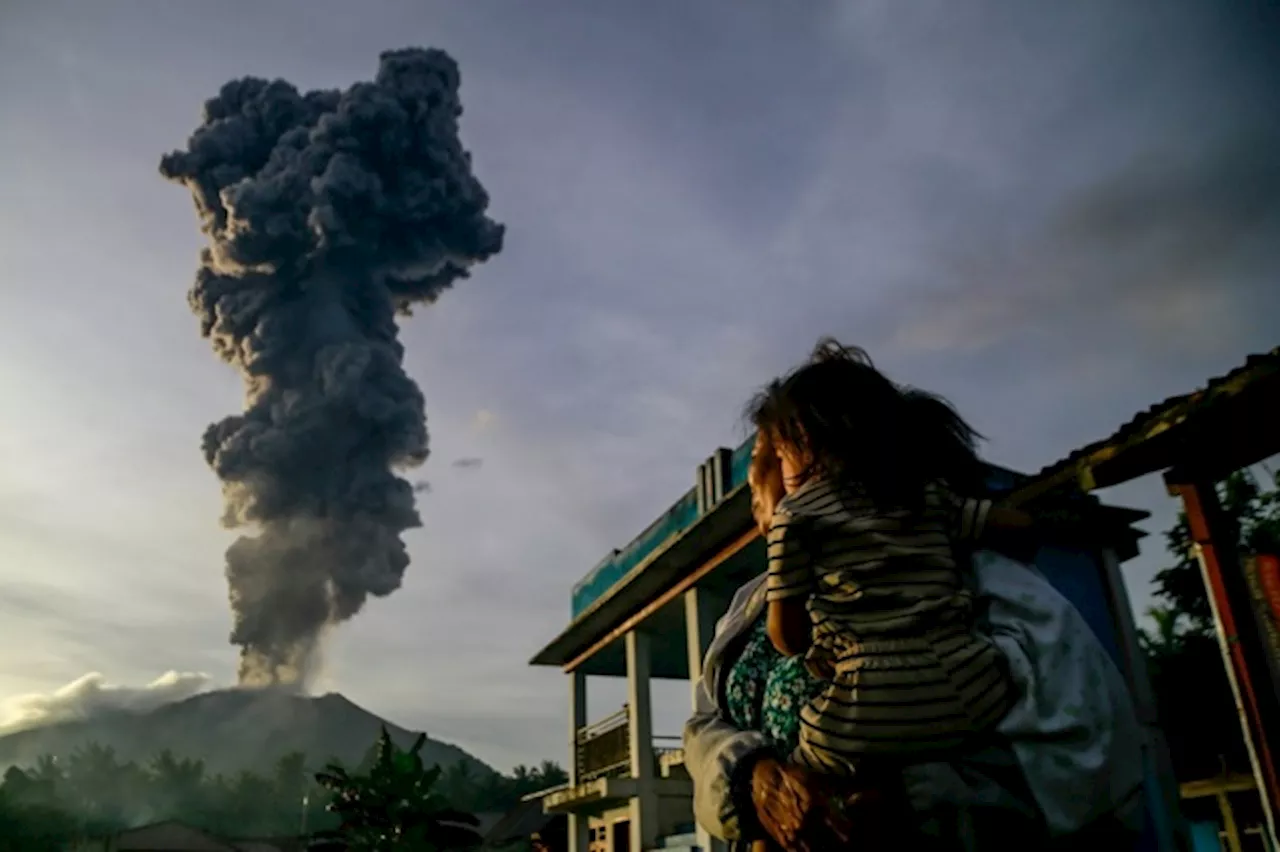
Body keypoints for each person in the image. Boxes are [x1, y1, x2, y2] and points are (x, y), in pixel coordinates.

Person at [685, 397, 1146, 850]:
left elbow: (1087, 765)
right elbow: (705, 726)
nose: (759, 488)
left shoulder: (972, 580)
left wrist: (916, 802)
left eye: (772, 459)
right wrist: (751, 779)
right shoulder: (751, 602)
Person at [747, 339, 1035, 779]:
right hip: (973, 686)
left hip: (870, 700)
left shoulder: (797, 517)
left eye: (779, 453)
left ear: (803, 443)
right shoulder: (926, 496)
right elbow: (1016, 526)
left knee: (801, 777)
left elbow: (786, 635)